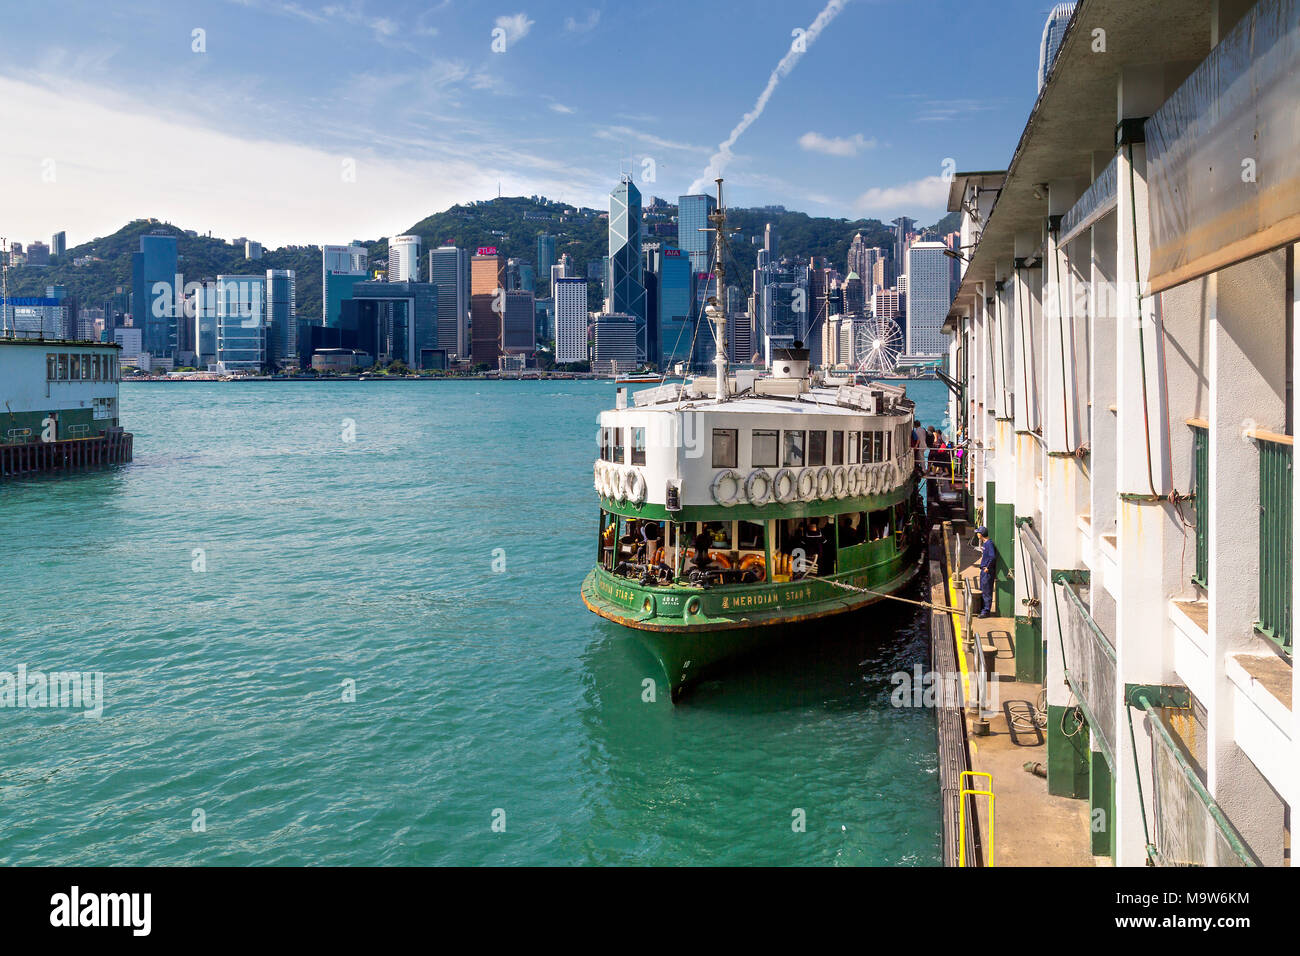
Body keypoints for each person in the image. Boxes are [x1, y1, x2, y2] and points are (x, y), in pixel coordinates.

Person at [977, 526, 995, 618]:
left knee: (987, 591)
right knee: (982, 589)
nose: (977, 534)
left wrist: (987, 567)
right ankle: (982, 608)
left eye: (978, 533)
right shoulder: (985, 543)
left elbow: (992, 556)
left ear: (981, 534)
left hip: (986, 571)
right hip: (983, 570)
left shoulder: (989, 544)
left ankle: (986, 610)